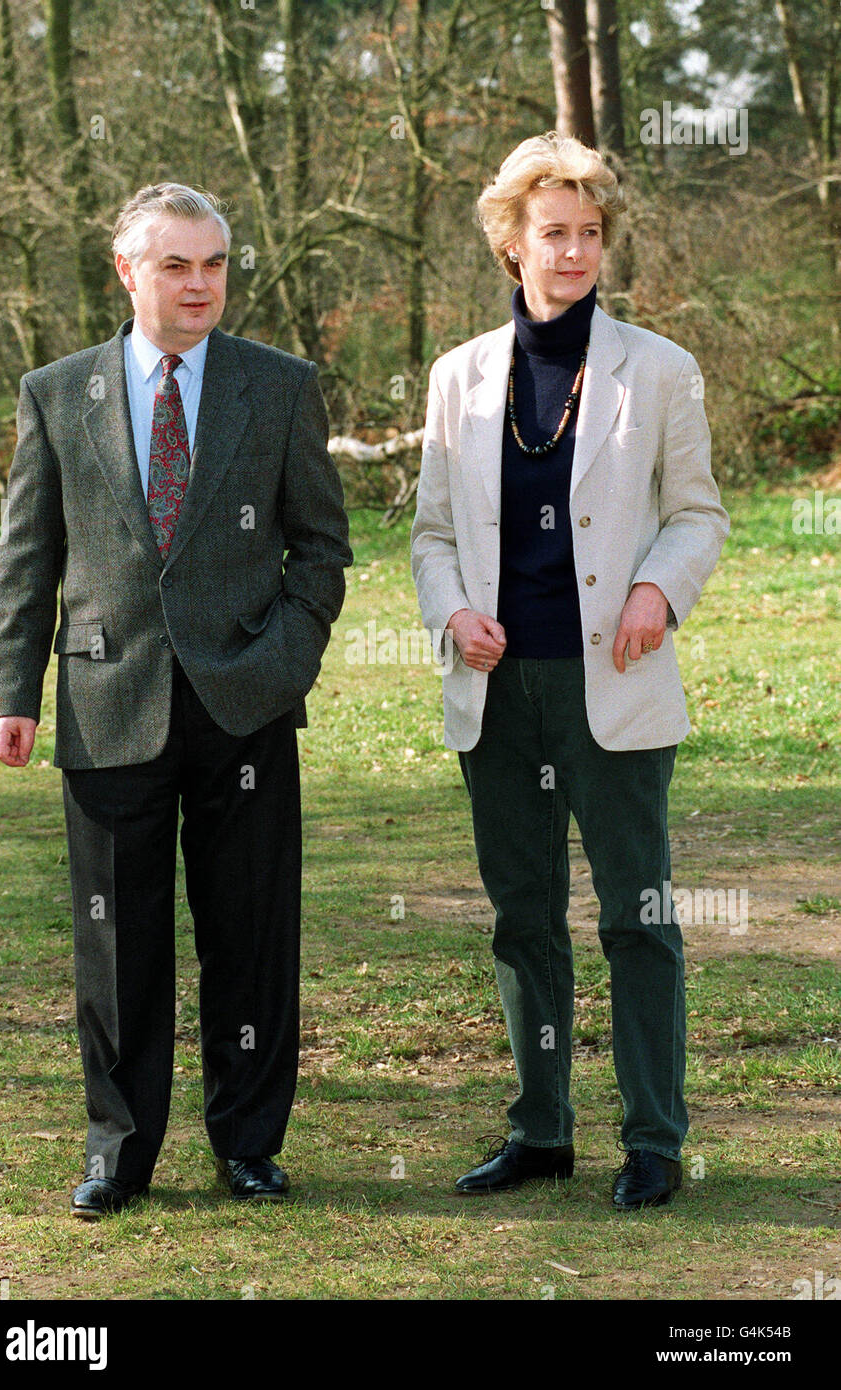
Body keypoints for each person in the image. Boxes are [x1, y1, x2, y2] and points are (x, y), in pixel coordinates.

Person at [0, 183, 352, 1219]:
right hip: (108, 703)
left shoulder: (278, 387)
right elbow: (27, 560)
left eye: (216, 264)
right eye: (178, 265)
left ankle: (249, 1143)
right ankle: (120, 1149)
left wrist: (282, 663)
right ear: (127, 272)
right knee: (116, 940)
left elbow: (321, 547)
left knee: (249, 933)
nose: (201, 285)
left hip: (244, 704)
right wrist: (12, 689)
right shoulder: (57, 393)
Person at [411, 133, 729, 1209]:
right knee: (523, 916)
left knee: (638, 916)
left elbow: (697, 515)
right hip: (499, 691)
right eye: (555, 233)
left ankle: (654, 1139)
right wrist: (452, 609)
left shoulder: (662, 369)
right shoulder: (458, 377)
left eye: (590, 233)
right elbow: (431, 536)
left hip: (617, 683)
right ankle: (541, 1130)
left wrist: (659, 590)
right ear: (513, 242)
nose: (575, 251)